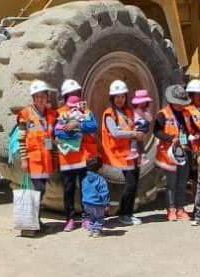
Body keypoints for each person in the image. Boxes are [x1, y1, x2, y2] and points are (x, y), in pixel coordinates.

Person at [54, 79, 99, 232]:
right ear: (65, 95)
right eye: (71, 93)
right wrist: (70, 130)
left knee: (87, 189)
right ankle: (70, 219)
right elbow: (57, 131)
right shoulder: (59, 112)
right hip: (67, 159)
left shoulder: (85, 110)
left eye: (76, 93)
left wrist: (77, 125)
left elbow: (94, 125)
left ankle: (87, 218)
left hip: (84, 157)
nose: (75, 95)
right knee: (68, 190)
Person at [100, 80, 143, 226]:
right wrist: (134, 134)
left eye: (122, 96)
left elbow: (137, 124)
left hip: (131, 154)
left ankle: (127, 213)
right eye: (117, 96)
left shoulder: (128, 111)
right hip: (119, 155)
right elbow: (115, 133)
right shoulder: (109, 114)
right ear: (112, 98)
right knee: (130, 184)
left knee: (134, 183)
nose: (120, 99)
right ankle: (124, 213)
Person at [17, 79, 57, 233]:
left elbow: (52, 139)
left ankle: (36, 221)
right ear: (33, 98)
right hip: (33, 161)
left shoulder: (51, 115)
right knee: (37, 190)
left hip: (45, 161)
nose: (40, 99)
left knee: (42, 191)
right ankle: (31, 223)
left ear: (47, 97)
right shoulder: (26, 114)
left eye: (43, 96)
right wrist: (24, 159)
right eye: (37, 96)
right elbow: (21, 138)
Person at [153, 84, 198, 221]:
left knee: (182, 182)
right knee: (171, 184)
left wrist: (195, 136)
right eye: (178, 103)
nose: (180, 106)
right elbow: (156, 131)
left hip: (184, 152)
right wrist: (171, 138)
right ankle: (171, 209)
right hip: (169, 154)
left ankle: (180, 209)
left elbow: (194, 129)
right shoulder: (163, 114)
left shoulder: (186, 113)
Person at [81, 156, 111, 237]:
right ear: (99, 169)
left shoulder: (85, 179)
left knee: (92, 217)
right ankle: (97, 231)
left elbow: (83, 190)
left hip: (86, 203)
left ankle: (91, 229)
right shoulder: (100, 180)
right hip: (97, 204)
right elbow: (104, 192)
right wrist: (107, 204)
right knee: (99, 217)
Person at [130, 89, 153, 165]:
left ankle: (133, 151)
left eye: (144, 102)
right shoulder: (135, 110)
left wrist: (146, 113)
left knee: (134, 136)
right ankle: (143, 157)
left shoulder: (147, 110)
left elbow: (150, 119)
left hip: (143, 126)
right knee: (140, 142)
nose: (142, 104)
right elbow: (133, 118)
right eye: (141, 102)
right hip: (137, 125)